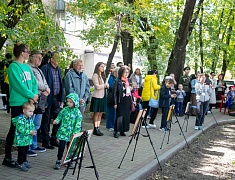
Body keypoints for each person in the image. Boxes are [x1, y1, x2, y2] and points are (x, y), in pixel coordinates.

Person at [2, 42, 38, 168]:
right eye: (28, 52)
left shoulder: (27, 67)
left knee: (27, 129)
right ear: (22, 53)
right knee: (15, 129)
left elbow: (33, 83)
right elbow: (18, 85)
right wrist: (30, 95)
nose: (29, 54)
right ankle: (7, 157)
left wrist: (34, 94)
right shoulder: (13, 67)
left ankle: (22, 158)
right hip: (17, 103)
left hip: (28, 102)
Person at [28, 50, 50, 156]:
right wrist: (45, 88)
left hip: (40, 99)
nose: (40, 60)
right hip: (32, 99)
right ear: (31, 57)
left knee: (37, 124)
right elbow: (34, 83)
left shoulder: (38, 69)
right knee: (30, 123)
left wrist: (47, 88)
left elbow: (44, 81)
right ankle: (27, 146)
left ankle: (34, 145)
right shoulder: (28, 68)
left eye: (41, 58)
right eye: (38, 58)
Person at [41, 51, 64, 149]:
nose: (58, 60)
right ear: (51, 59)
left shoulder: (58, 69)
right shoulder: (45, 68)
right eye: (56, 58)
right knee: (46, 119)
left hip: (55, 97)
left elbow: (60, 83)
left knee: (58, 117)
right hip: (47, 97)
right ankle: (45, 140)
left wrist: (60, 98)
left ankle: (54, 138)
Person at [53, 93, 82, 170]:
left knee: (70, 148)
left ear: (75, 102)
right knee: (61, 147)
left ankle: (69, 161)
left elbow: (78, 124)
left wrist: (75, 133)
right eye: (67, 101)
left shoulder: (77, 112)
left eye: (70, 102)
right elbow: (59, 116)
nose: (68, 103)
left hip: (72, 134)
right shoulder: (64, 109)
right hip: (63, 132)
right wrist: (57, 120)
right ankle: (58, 160)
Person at [12, 102, 36, 171]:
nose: (31, 113)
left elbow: (32, 126)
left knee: (26, 150)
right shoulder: (20, 119)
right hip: (21, 139)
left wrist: (33, 130)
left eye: (32, 111)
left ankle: (24, 161)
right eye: (30, 111)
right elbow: (20, 130)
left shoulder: (29, 119)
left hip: (27, 139)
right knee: (21, 151)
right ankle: (20, 162)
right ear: (24, 111)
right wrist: (29, 132)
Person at [90, 62, 108, 136]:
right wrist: (104, 85)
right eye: (101, 66)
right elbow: (97, 86)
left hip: (102, 95)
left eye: (103, 67)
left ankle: (98, 127)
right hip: (97, 96)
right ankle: (95, 128)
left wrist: (106, 85)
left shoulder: (101, 76)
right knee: (97, 113)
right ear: (98, 67)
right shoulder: (95, 75)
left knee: (100, 113)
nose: (103, 68)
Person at [113, 66, 132, 138]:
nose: (126, 74)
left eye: (127, 72)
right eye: (125, 72)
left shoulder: (128, 81)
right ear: (121, 73)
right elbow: (115, 92)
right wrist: (115, 103)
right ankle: (116, 130)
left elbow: (131, 91)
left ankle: (122, 130)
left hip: (127, 99)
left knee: (126, 115)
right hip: (120, 100)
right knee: (119, 116)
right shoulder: (117, 81)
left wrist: (131, 89)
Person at [106, 67, 119, 131]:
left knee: (114, 112)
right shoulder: (111, 78)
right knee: (111, 112)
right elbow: (110, 86)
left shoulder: (117, 78)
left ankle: (113, 125)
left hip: (115, 97)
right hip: (111, 97)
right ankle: (110, 125)